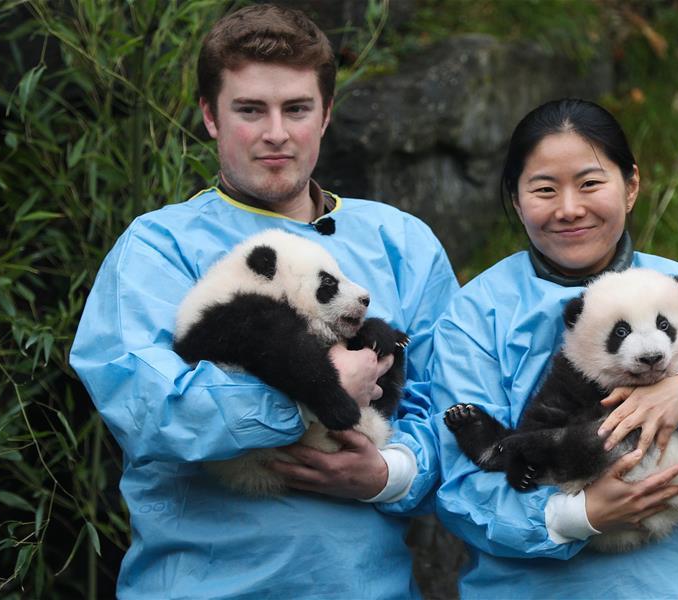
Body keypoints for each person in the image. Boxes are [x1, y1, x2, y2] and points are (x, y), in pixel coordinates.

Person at [70, 5, 457, 598]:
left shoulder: (402, 243)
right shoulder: (157, 248)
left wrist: (387, 473)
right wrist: (311, 396)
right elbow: (149, 410)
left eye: (296, 108)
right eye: (250, 109)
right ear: (210, 116)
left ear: (326, 115)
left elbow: (455, 412)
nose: (276, 132)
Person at [429, 99, 678, 598]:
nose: (569, 208)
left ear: (631, 187)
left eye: (590, 183)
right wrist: (576, 515)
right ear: (516, 201)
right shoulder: (477, 314)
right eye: (543, 189)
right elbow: (457, 485)